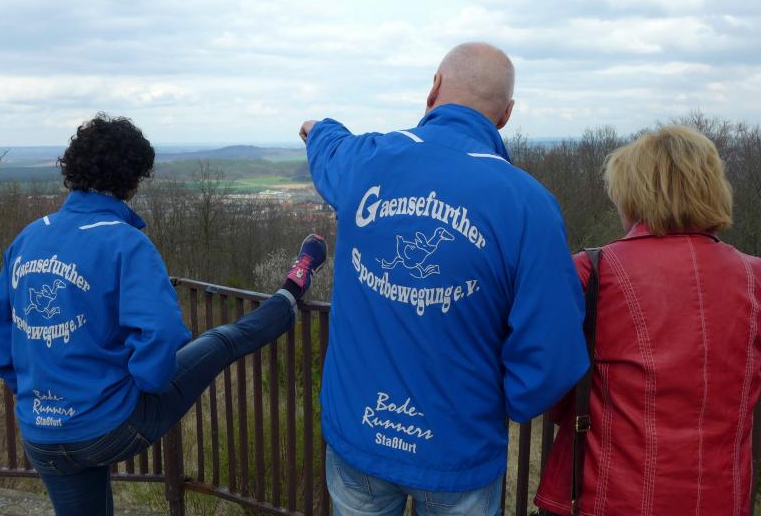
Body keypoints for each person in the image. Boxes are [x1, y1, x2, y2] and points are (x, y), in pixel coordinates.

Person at [0, 113, 327, 516]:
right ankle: (293, 287)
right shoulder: (124, 243)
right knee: (222, 341)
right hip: (111, 426)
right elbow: (161, 335)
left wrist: (41, 399)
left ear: (71, 170)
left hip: (40, 434)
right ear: (132, 181)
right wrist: (145, 384)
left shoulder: (28, 238)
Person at [299, 42, 589, 515]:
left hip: (359, 437)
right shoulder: (528, 206)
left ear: (434, 87)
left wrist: (315, 128)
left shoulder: (366, 160)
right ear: (506, 114)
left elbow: (329, 145)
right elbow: (553, 349)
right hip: (459, 452)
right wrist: (505, 403)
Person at [534, 125, 761, 515]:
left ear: (635, 194)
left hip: (608, 495)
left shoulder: (593, 271)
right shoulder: (753, 276)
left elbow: (545, 375)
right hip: (720, 497)